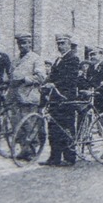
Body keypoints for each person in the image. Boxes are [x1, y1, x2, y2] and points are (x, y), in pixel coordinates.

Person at [44, 34, 85, 166]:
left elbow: (70, 78)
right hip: (56, 97)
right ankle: (54, 157)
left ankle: (69, 157)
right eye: (58, 44)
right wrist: (45, 83)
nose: (60, 46)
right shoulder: (58, 60)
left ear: (69, 44)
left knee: (66, 127)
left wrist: (55, 84)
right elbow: (52, 75)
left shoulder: (73, 59)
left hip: (67, 98)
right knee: (53, 127)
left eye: (63, 43)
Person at [10, 33, 47, 160]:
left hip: (29, 96)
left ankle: (31, 149)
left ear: (30, 44)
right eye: (20, 43)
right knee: (17, 124)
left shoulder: (36, 59)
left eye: (25, 43)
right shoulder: (15, 60)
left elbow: (41, 77)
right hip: (16, 96)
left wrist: (24, 80)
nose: (22, 45)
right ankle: (23, 149)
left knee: (30, 124)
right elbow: (11, 76)